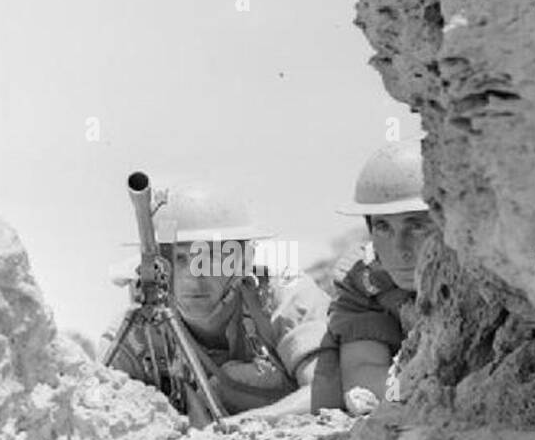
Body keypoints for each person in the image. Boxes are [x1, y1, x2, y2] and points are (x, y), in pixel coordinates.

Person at [101, 183, 330, 424]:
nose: (193, 275)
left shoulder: (283, 297)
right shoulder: (134, 335)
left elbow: (325, 389)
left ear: (243, 260)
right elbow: (95, 414)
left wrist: (245, 425)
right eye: (178, 258)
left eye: (211, 257)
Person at [310, 141, 435, 413]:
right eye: (383, 227)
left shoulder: (489, 275)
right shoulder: (364, 281)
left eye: (416, 226)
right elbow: (363, 378)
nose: (400, 249)